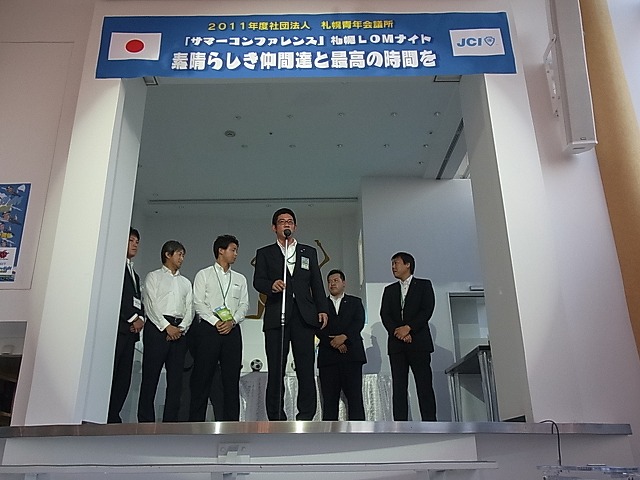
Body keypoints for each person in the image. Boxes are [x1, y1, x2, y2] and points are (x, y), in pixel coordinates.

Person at [253, 208, 329, 421]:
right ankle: (276, 415)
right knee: (276, 368)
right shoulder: (265, 253)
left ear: (295, 226)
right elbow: (258, 281)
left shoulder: (308, 252)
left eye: (290, 221)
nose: (286, 224)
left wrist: (322, 309)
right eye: (281, 221)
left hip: (304, 316)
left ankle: (306, 415)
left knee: (305, 367)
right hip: (277, 315)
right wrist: (271, 285)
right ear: (274, 227)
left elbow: (316, 282)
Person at [189, 234, 249, 421]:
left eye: (236, 250)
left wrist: (232, 322)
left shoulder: (240, 278)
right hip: (209, 329)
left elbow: (244, 305)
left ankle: (231, 424)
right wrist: (215, 322)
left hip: (232, 329)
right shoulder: (204, 274)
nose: (236, 254)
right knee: (202, 377)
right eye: (233, 250)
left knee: (231, 379)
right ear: (220, 251)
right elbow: (198, 302)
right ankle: (195, 424)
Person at [137, 240, 193, 422]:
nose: (182, 258)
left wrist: (181, 327)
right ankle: (146, 421)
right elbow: (150, 305)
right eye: (179, 254)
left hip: (179, 330)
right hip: (157, 328)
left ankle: (170, 421)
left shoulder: (186, 282)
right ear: (168, 255)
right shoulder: (153, 277)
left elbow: (190, 308)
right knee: (150, 377)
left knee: (176, 381)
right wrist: (166, 327)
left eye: (183, 255)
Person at [380, 252, 437, 421]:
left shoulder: (424, 285)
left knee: (424, 385)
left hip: (419, 343)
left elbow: (427, 309)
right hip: (397, 346)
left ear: (408, 265)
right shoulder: (389, 290)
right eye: (392, 264)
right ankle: (400, 425)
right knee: (399, 387)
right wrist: (399, 332)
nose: (393, 267)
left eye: (396, 263)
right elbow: (385, 314)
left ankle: (430, 423)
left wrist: (409, 328)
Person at [317, 269, 367, 421]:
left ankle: (359, 432)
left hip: (351, 356)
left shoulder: (355, 302)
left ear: (344, 283)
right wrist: (335, 343)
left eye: (336, 280)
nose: (332, 284)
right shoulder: (320, 304)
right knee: (329, 401)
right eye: (329, 281)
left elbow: (358, 323)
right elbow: (317, 327)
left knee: (355, 399)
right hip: (329, 358)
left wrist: (344, 337)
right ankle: (329, 434)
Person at [108, 227, 145, 423]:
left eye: (137, 242)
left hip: (131, 332)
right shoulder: (115, 267)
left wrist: (141, 319)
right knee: (112, 373)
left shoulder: (134, 275)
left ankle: (114, 414)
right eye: (131, 240)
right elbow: (118, 296)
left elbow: (137, 300)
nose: (135, 245)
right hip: (119, 329)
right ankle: (105, 414)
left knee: (124, 377)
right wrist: (132, 318)